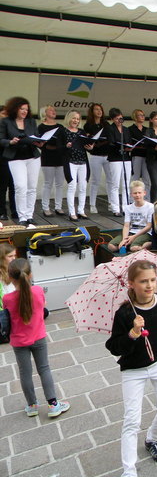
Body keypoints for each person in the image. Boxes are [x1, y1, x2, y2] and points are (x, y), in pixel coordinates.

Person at [105, 260, 157, 477]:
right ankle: (129, 470)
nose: (149, 285)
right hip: (133, 370)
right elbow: (113, 347)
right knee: (132, 420)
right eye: (143, 281)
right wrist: (132, 333)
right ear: (131, 284)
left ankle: (153, 438)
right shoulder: (125, 314)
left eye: (152, 279)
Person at [4, 258, 70, 418]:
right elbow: (41, 309)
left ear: (11, 278)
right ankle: (53, 405)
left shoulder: (7, 299)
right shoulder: (38, 291)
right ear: (30, 274)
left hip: (19, 342)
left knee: (25, 372)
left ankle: (32, 405)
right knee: (44, 369)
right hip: (38, 337)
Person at [0, 97, 44, 226]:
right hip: (15, 158)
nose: (25, 111)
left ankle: (29, 215)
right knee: (20, 187)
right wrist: (10, 142)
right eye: (22, 109)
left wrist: (40, 142)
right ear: (15, 108)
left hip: (32, 157)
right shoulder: (6, 122)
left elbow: (36, 136)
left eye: (26, 109)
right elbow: (1, 139)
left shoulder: (31, 121)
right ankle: (22, 216)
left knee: (32, 187)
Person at [63, 111, 93, 221]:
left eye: (78, 119)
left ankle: (81, 210)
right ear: (69, 119)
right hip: (70, 161)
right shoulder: (64, 131)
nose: (76, 120)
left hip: (82, 161)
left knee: (83, 186)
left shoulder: (82, 132)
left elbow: (86, 145)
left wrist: (90, 147)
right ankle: (72, 212)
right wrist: (66, 146)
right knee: (72, 186)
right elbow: (60, 146)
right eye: (74, 118)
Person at [108, 181, 154, 253]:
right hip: (132, 232)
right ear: (131, 194)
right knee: (111, 246)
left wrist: (134, 237)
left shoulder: (150, 207)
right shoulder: (128, 208)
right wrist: (124, 239)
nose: (137, 195)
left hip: (145, 233)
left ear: (144, 193)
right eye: (135, 193)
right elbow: (126, 226)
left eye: (139, 193)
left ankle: (149, 244)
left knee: (133, 248)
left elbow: (149, 226)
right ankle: (128, 245)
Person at [38, 105, 66, 217]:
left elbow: (64, 140)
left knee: (59, 184)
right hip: (48, 157)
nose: (54, 111)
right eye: (50, 110)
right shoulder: (41, 127)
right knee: (48, 183)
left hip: (60, 156)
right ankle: (45, 207)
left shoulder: (60, 127)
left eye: (54, 110)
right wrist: (45, 146)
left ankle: (58, 207)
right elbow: (38, 142)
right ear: (44, 113)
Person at [106, 108, 133, 217]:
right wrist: (120, 147)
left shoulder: (126, 130)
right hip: (115, 158)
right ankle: (115, 208)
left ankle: (126, 207)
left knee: (126, 184)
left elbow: (129, 141)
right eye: (116, 119)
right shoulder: (110, 129)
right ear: (112, 119)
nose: (119, 120)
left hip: (126, 158)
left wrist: (128, 147)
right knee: (115, 184)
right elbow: (111, 143)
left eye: (120, 118)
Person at [85, 102, 110, 214]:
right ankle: (92, 204)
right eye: (96, 109)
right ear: (92, 112)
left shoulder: (106, 124)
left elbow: (110, 138)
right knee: (95, 180)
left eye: (100, 109)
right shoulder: (88, 125)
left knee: (110, 180)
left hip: (108, 155)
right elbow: (88, 140)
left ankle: (111, 203)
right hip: (95, 156)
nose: (99, 111)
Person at [129, 109, 150, 195]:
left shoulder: (147, 130)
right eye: (140, 115)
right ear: (135, 117)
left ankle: (146, 197)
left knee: (146, 178)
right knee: (135, 178)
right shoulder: (130, 129)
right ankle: (132, 197)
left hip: (146, 155)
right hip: (136, 154)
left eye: (143, 115)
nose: (142, 117)